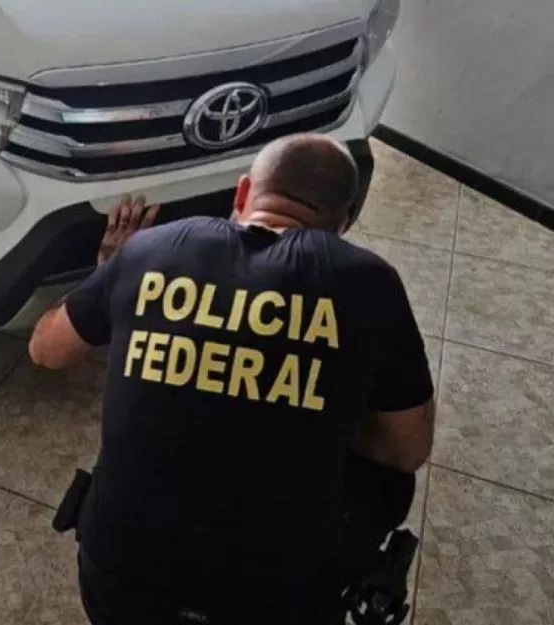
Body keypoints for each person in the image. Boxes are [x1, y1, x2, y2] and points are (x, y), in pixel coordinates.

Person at [28, 133, 436, 625]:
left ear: (242, 193)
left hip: (117, 586)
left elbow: (45, 350)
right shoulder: (370, 282)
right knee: (390, 479)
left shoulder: (150, 251)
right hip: (277, 606)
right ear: (342, 224)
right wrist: (315, 412)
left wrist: (113, 278)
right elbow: (407, 450)